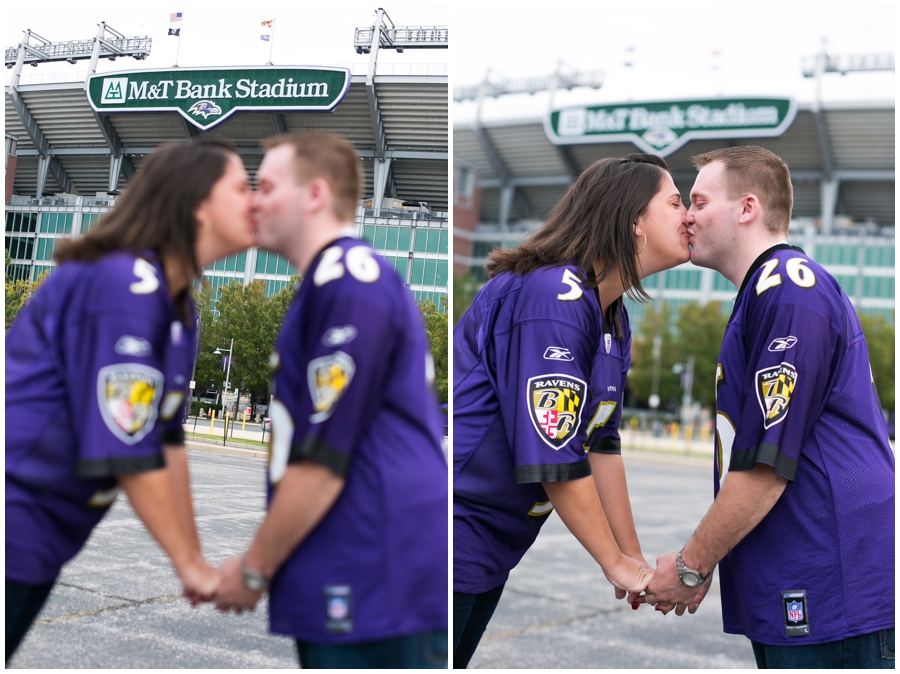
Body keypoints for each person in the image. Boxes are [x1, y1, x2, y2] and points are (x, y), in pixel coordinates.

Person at [638, 146, 895, 669]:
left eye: (700, 201)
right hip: (806, 568)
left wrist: (690, 566)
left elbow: (765, 467)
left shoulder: (789, 292)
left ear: (747, 208)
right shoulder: (765, 293)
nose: (687, 215)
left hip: (828, 577)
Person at [5, 138, 256, 662]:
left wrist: (191, 556)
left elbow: (166, 439)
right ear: (197, 206)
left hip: (40, 537)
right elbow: (125, 445)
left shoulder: (178, 306)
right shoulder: (127, 283)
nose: (252, 201)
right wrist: (189, 567)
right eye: (239, 188)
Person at [212, 131, 448, 669]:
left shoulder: (349, 283)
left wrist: (254, 569)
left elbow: (323, 461)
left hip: (374, 571)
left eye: (267, 186)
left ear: (314, 194)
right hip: (358, 564)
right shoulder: (329, 283)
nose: (253, 200)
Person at [453, 154, 692, 667]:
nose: (688, 214)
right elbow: (553, 449)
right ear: (634, 223)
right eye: (675, 203)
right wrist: (613, 564)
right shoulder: (554, 293)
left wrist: (632, 560)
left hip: (490, 545)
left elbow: (601, 445)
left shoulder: (611, 315)